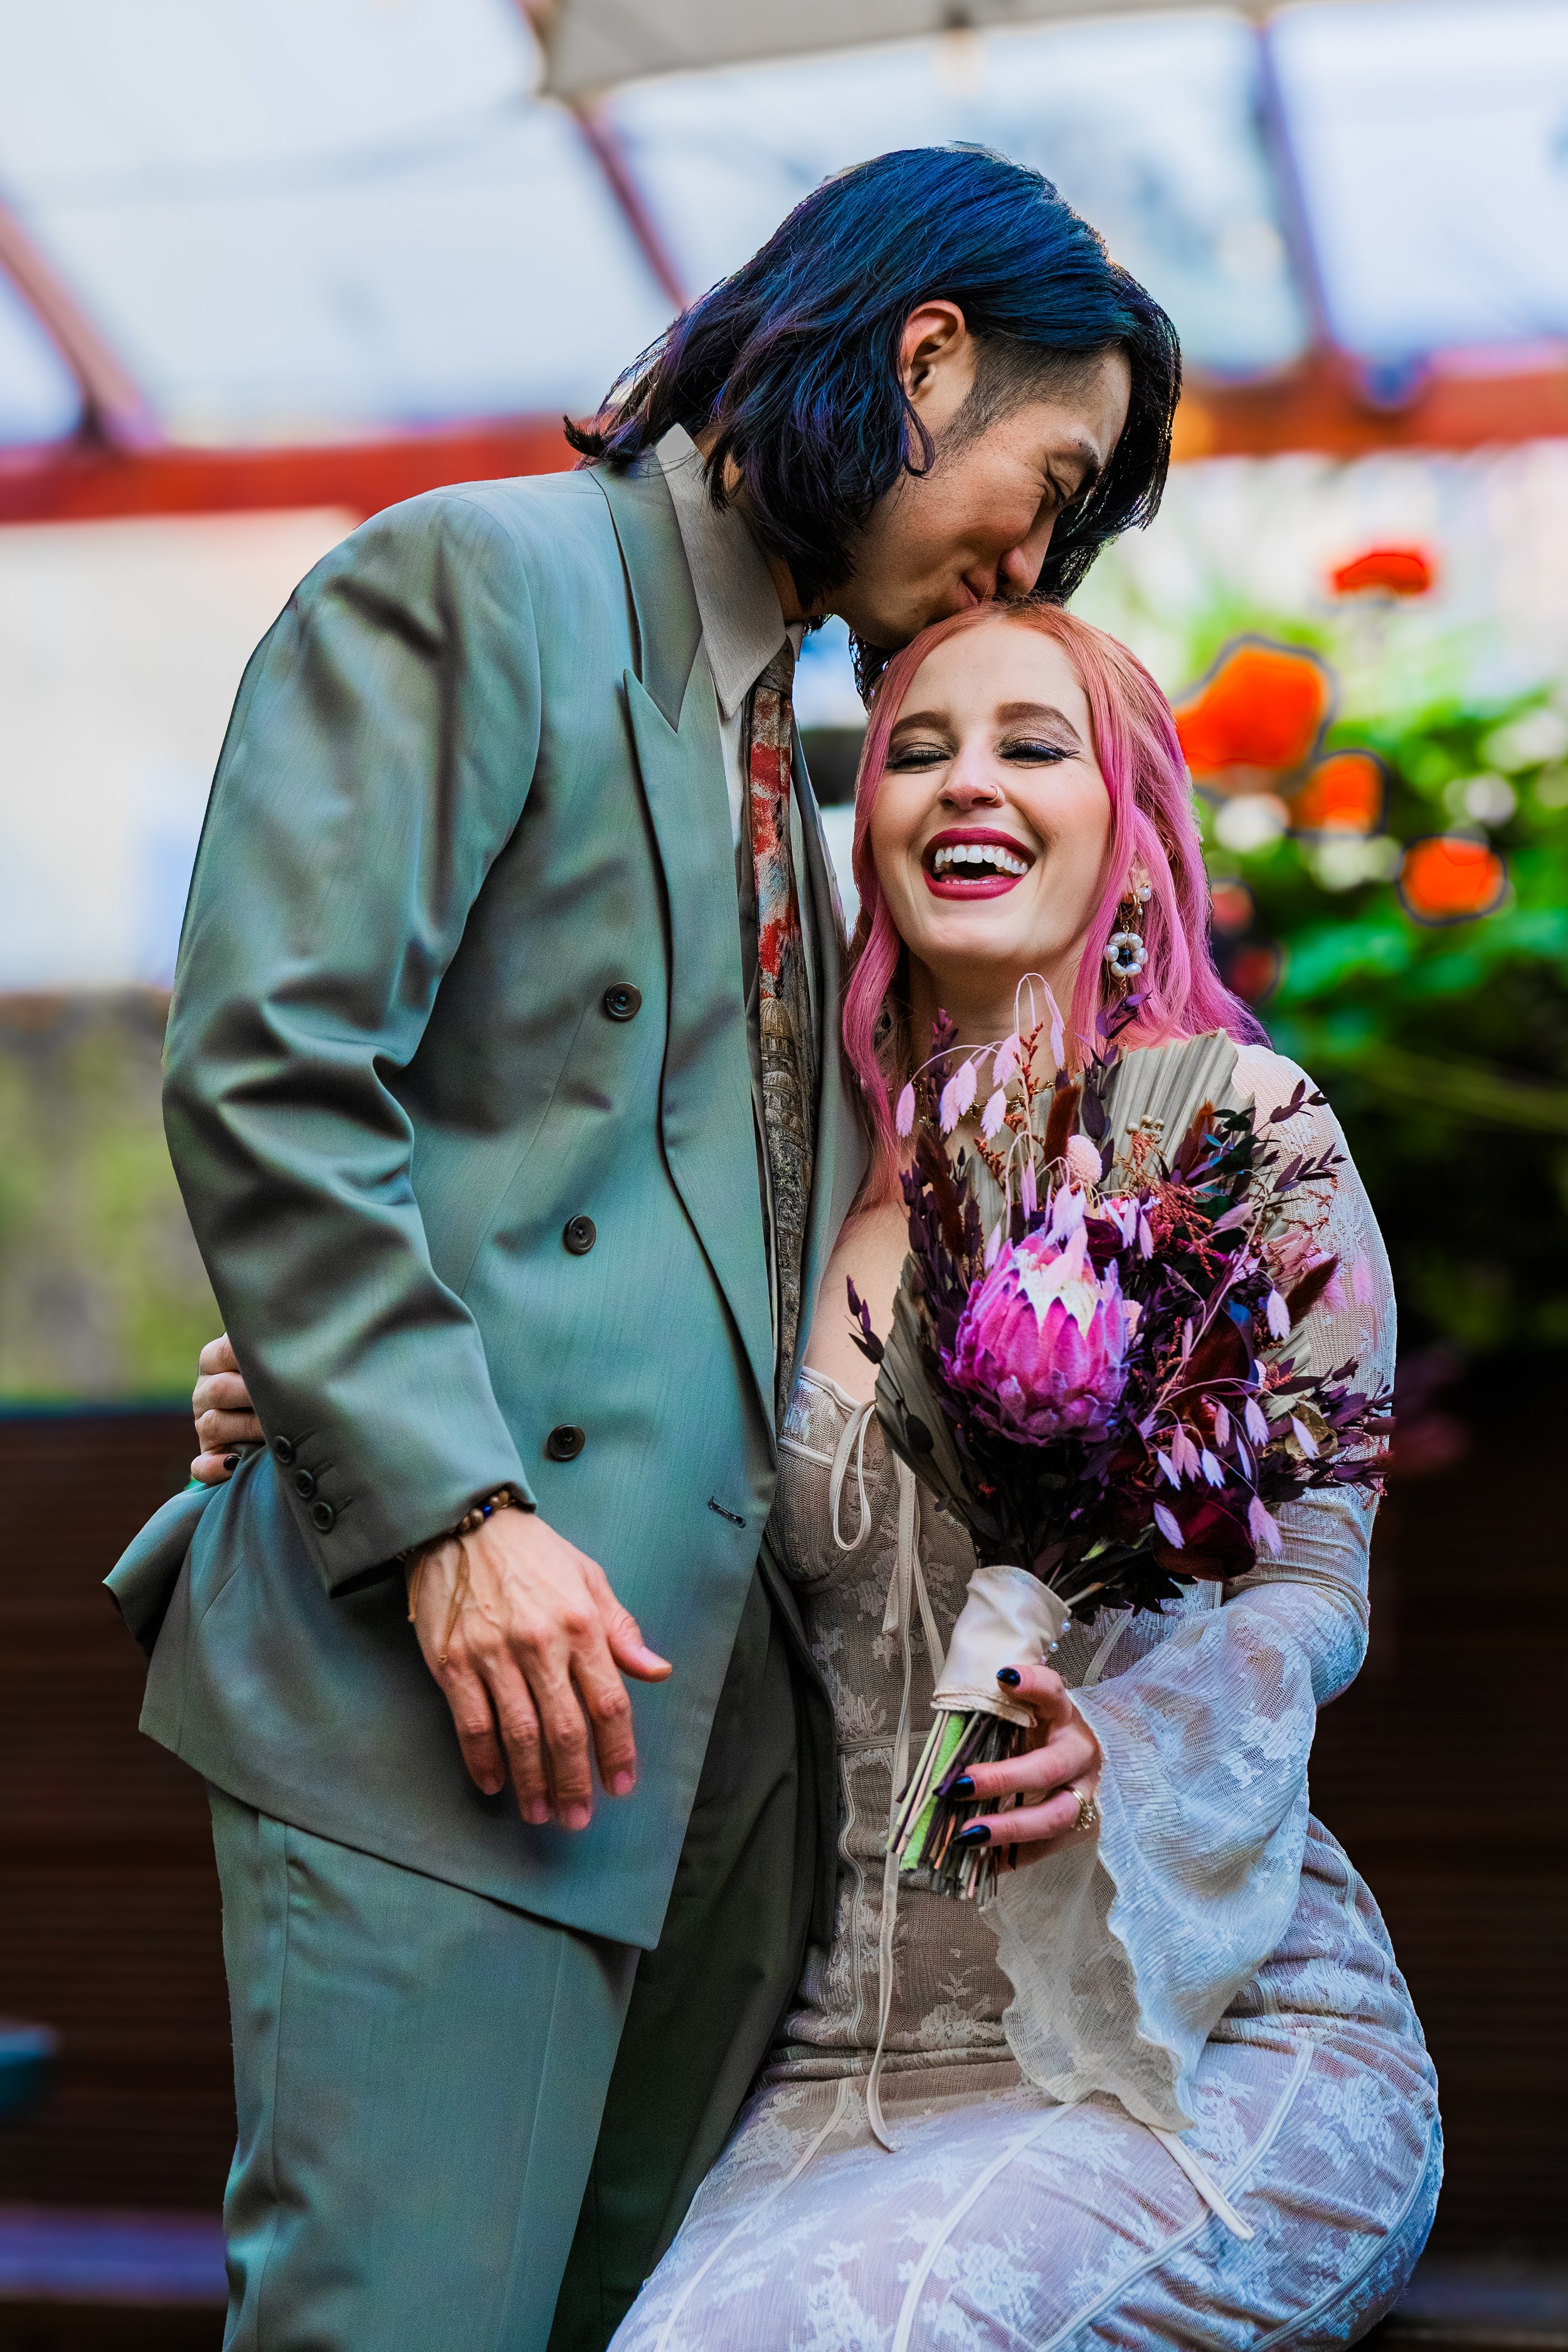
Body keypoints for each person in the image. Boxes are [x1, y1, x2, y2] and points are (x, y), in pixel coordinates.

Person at [106, 146, 1180, 2352]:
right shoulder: (472, 586)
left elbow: (770, 1233)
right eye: (1049, 476)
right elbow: (274, 1069)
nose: (1036, 552)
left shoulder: (800, 773)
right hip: (451, 1689)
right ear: (926, 357)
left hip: (728, 1774)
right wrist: (441, 1498)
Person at [604, 600, 1442, 2348]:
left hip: (1190, 2044)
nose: (961, 783)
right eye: (915, 749)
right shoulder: (776, 1210)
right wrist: (303, 1398)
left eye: (1027, 745)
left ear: (1131, 845)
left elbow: (1309, 1577)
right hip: (838, 2064)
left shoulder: (1223, 1127)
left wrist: (1118, 1735)